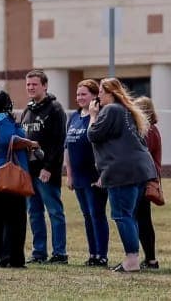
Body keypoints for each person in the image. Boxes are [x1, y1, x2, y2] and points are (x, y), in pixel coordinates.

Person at [87, 78, 157, 273]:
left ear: (110, 93)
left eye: (100, 91)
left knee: (121, 215)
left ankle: (132, 260)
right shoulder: (126, 110)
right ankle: (133, 257)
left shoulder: (111, 110)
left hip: (122, 171)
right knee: (129, 215)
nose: (98, 96)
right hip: (139, 170)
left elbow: (93, 135)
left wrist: (93, 115)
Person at [0, 88, 39, 268]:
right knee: (15, 215)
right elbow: (9, 140)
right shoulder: (2, 119)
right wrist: (30, 143)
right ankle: (12, 258)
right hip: (6, 171)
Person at [19, 69, 68, 264]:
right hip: (29, 171)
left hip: (46, 172)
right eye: (28, 84)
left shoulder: (55, 109)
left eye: (35, 84)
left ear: (45, 86)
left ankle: (59, 253)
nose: (30, 88)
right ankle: (39, 252)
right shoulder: (28, 110)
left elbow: (59, 142)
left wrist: (48, 167)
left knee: (54, 211)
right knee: (34, 212)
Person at [64, 79, 109, 267]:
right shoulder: (74, 117)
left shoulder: (98, 116)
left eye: (84, 94)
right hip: (79, 175)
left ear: (94, 96)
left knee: (97, 214)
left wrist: (103, 174)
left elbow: (104, 147)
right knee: (86, 215)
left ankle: (102, 255)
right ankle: (92, 253)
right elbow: (67, 147)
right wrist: (69, 174)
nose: (79, 98)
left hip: (94, 174)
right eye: (77, 94)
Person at [134, 96, 162, 271]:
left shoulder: (149, 131)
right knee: (142, 219)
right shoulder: (152, 130)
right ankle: (148, 258)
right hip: (145, 177)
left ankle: (150, 259)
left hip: (144, 178)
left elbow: (143, 154)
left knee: (142, 219)